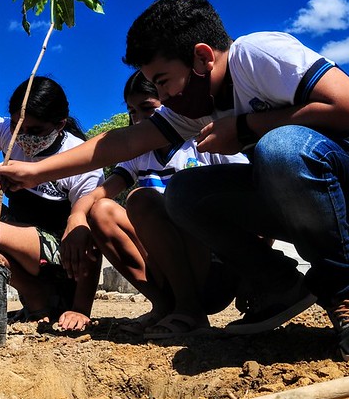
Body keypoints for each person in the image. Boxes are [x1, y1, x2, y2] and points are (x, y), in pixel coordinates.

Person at [0, 0, 349, 365]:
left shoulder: (258, 55)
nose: (164, 97)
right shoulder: (196, 104)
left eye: (164, 81)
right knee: (183, 193)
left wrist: (248, 127)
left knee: (282, 146)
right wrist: (34, 171)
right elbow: (121, 143)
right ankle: (279, 285)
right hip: (310, 206)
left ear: (202, 56)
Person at [68, 72, 248, 338]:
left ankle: (190, 309)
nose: (138, 119)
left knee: (145, 198)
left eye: (147, 109)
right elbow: (98, 195)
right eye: (132, 111)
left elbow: (250, 196)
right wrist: (77, 218)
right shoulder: (138, 155)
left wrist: (251, 274)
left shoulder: (205, 142)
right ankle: (164, 306)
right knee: (102, 210)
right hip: (164, 266)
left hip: (212, 271)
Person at [0, 76, 104, 331]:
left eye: (34, 131)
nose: (24, 138)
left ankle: (33, 295)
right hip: (16, 223)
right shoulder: (5, 132)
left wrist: (81, 309)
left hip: (56, 249)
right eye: (17, 126)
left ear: (59, 125)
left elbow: (91, 237)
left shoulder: (79, 159)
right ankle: (25, 290)